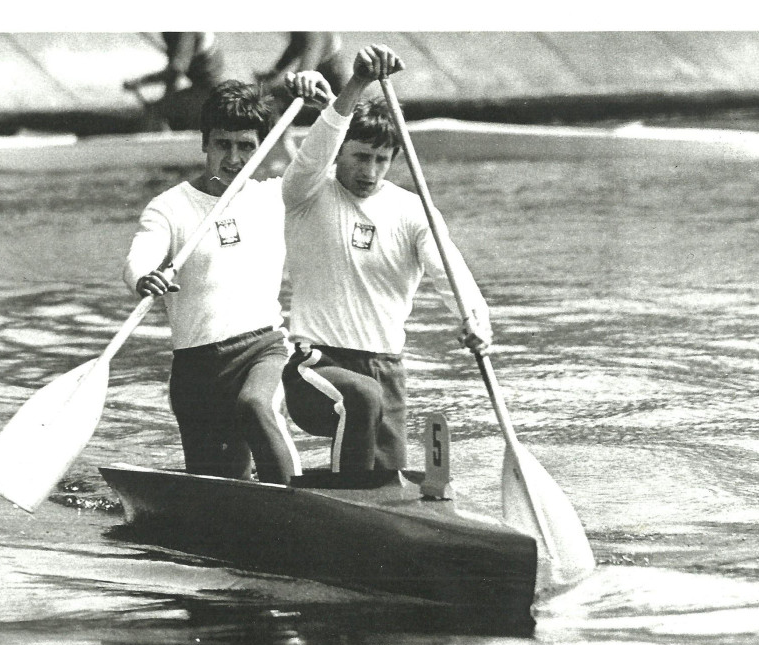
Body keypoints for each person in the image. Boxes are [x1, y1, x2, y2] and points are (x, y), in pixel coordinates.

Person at [280, 44, 493, 477]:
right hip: (316, 366)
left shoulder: (415, 210)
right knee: (362, 400)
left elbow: (450, 273)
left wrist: (475, 322)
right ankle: (343, 494)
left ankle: (339, 489)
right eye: (360, 156)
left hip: (386, 368)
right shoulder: (306, 193)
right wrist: (357, 82)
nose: (370, 172)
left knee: (384, 477)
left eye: (381, 160)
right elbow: (316, 149)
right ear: (340, 151)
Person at [122, 75, 330, 485]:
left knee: (256, 405)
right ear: (205, 143)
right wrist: (144, 277)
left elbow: (320, 155)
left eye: (246, 146)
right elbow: (140, 256)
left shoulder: (276, 196)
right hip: (196, 372)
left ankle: (295, 500)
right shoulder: (170, 207)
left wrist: (330, 104)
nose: (234, 158)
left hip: (263, 351)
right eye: (223, 145)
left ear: (262, 147)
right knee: (226, 486)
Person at [124, 33, 226, 131]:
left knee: (155, 111)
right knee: (161, 108)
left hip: (208, 96)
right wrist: (165, 100)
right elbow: (172, 79)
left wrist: (139, 81)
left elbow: (176, 70)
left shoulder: (184, 33)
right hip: (205, 92)